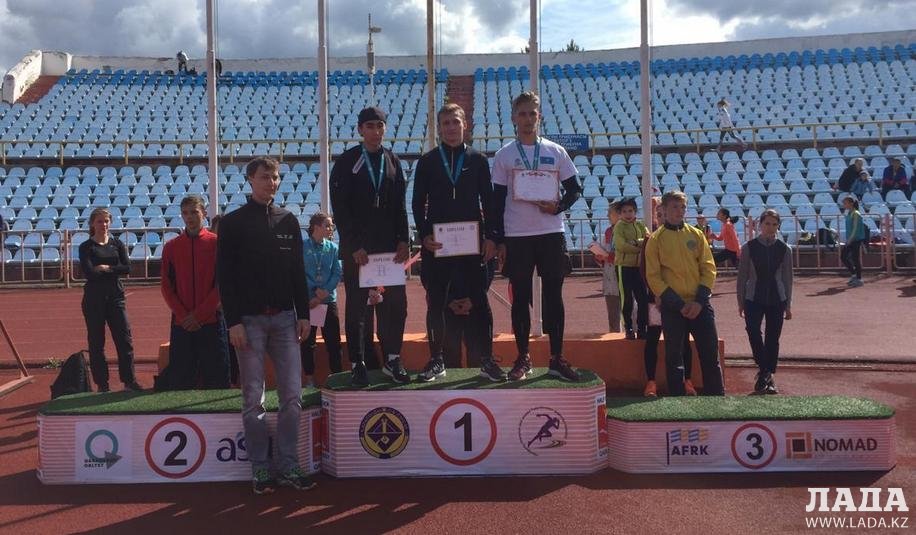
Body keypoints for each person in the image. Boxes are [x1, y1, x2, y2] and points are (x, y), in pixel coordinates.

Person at [217, 157, 315, 495]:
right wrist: (233, 321)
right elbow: (225, 277)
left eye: (275, 177)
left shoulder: (289, 219)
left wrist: (303, 313)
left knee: (292, 396)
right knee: (253, 398)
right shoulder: (232, 224)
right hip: (249, 322)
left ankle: (288, 464)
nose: (271, 182)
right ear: (250, 179)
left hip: (286, 319)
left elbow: (297, 272)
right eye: (264, 177)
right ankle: (259, 467)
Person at [492, 91, 582, 382]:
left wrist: (559, 207)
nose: (528, 119)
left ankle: (557, 358)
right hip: (517, 235)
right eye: (522, 114)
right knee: (520, 298)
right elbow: (496, 199)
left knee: (554, 296)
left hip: (551, 232)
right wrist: (499, 239)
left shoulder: (556, 151)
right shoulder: (504, 155)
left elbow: (575, 189)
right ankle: (523, 357)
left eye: (533, 113)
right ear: (514, 118)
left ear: (539, 116)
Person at [412, 103, 504, 382]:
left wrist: (491, 237)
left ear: (465, 125)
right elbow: (417, 203)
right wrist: (424, 234)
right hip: (438, 245)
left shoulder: (478, 160)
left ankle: (487, 360)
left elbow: (488, 201)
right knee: (436, 302)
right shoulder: (427, 161)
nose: (451, 128)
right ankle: (436, 359)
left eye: (455, 122)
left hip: (471, 243)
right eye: (446, 123)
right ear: (439, 128)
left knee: (481, 302)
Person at [330, 106, 410, 387]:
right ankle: (358, 363)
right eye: (370, 126)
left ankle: (392, 359)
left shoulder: (393, 160)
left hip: (388, 250)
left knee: (395, 304)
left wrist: (404, 240)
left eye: (380, 126)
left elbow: (400, 205)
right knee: (358, 307)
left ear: (385, 128)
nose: (376, 131)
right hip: (360, 252)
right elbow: (340, 208)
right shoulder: (347, 161)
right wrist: (353, 245)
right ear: (360, 129)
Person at [644, 191, 725, 396]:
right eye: (674, 207)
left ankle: (717, 400)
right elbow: (653, 277)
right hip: (673, 308)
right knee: (674, 358)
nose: (679, 211)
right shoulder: (656, 240)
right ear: (663, 209)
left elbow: (709, 268)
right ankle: (677, 403)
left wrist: (699, 301)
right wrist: (678, 304)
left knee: (710, 356)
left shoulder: (696, 234)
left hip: (700, 306)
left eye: (683, 207)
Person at [156, 196, 229, 390]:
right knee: (181, 381)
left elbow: (222, 284)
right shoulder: (171, 247)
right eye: (185, 213)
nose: (189, 217)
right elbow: (166, 286)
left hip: (211, 322)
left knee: (216, 380)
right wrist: (183, 315)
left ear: (204, 214)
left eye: (194, 212)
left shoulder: (217, 244)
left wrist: (199, 315)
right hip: (182, 324)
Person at [78, 208, 142, 393]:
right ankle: (102, 383)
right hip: (94, 298)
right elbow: (89, 272)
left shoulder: (117, 244)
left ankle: (129, 380)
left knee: (124, 339)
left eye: (106, 221)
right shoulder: (86, 247)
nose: (103, 225)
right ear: (92, 224)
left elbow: (127, 268)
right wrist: (113, 269)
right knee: (96, 342)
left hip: (116, 296)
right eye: (99, 221)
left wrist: (105, 268)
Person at [640, 200, 696, 397]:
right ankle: (651, 382)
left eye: (664, 214)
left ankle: (687, 380)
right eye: (659, 215)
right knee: (653, 339)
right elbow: (645, 271)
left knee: (683, 340)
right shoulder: (651, 239)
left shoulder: (684, 236)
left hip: (679, 300)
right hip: (656, 300)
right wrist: (656, 293)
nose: (662, 218)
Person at [737, 209, 793, 395]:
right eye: (767, 223)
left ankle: (767, 375)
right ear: (760, 225)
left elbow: (787, 278)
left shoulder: (784, 249)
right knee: (753, 330)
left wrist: (788, 304)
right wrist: (740, 301)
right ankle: (765, 369)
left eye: (774, 224)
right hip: (753, 297)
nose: (770, 227)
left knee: (772, 337)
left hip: (777, 297)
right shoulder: (749, 247)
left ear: (778, 226)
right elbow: (742, 276)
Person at [300, 212, 343, 387]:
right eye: (327, 225)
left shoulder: (332, 247)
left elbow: (337, 273)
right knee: (308, 342)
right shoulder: (302, 247)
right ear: (316, 227)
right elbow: (299, 272)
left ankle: (337, 377)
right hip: (309, 302)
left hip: (328, 301)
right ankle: (309, 378)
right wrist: (314, 291)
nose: (331, 228)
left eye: (331, 225)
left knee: (333, 342)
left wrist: (324, 292)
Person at [209, 214, 239, 387]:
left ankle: (232, 380)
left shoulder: (234, 250)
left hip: (230, 307)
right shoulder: (206, 250)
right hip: (209, 308)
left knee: (231, 345)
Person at [613, 197, 649, 339]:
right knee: (626, 299)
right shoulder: (619, 227)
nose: (628, 214)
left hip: (639, 267)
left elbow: (648, 240)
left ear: (635, 212)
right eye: (624, 211)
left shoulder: (640, 225)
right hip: (624, 267)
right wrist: (639, 248)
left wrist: (634, 242)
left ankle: (642, 328)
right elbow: (621, 245)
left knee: (643, 299)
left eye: (630, 211)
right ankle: (628, 328)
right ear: (620, 213)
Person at [592, 201, 621, 333]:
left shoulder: (630, 230)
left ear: (619, 214)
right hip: (610, 276)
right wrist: (599, 256)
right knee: (613, 311)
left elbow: (626, 254)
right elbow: (605, 250)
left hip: (625, 274)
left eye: (610, 213)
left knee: (630, 311)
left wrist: (607, 257)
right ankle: (614, 334)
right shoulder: (608, 231)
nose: (607, 215)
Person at [841, 196, 866, 288]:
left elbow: (855, 228)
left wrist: (850, 239)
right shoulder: (849, 213)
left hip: (855, 239)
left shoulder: (856, 214)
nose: (844, 205)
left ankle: (859, 279)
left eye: (845, 203)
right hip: (851, 239)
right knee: (844, 257)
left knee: (855, 259)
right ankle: (854, 275)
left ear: (851, 203)